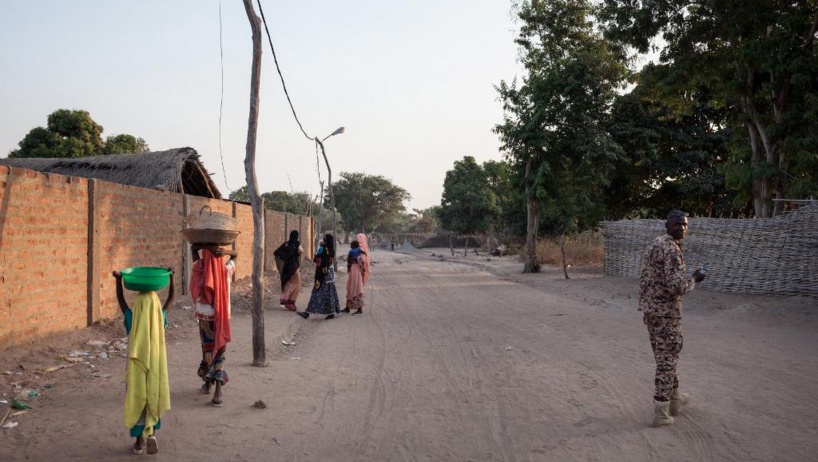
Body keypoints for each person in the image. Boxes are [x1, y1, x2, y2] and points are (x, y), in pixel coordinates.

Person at [639, 210, 707, 426]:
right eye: (677, 224)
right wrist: (695, 279)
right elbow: (676, 287)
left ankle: (674, 400)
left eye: (685, 225)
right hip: (666, 313)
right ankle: (661, 411)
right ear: (667, 225)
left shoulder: (654, 244)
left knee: (666, 356)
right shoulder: (671, 249)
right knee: (667, 360)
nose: (682, 228)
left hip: (651, 311)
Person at [112, 268, 175, 455]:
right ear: (156, 307)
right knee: (153, 392)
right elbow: (170, 299)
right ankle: (152, 434)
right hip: (155, 361)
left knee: (137, 394)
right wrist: (171, 279)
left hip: (137, 362)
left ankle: (139, 441)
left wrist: (118, 280)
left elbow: (121, 300)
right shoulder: (160, 316)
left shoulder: (132, 318)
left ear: (138, 308)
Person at [190, 243, 237, 407]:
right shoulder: (225, 270)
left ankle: (208, 384)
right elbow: (235, 255)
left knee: (207, 349)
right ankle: (217, 390)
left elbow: (193, 248)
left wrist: (204, 244)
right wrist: (226, 251)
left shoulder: (200, 267)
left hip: (204, 315)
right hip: (222, 314)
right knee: (220, 350)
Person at [298, 234, 341, 320]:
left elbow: (316, 259)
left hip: (322, 274)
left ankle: (308, 313)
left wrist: (316, 255)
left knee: (316, 292)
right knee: (330, 292)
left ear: (325, 240)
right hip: (330, 274)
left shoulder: (322, 248)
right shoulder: (332, 249)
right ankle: (332, 312)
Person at [273, 230, 304, 312]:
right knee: (297, 283)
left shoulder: (286, 244)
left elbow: (276, 253)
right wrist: (296, 254)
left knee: (289, 282)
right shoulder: (297, 243)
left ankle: (284, 299)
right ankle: (290, 302)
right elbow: (301, 250)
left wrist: (284, 260)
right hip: (293, 266)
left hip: (286, 266)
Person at [342, 233, 371, 315]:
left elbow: (360, 261)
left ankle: (359, 309)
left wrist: (350, 265)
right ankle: (348, 307)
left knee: (357, 288)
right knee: (351, 287)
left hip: (356, 271)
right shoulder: (361, 249)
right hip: (356, 271)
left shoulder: (358, 250)